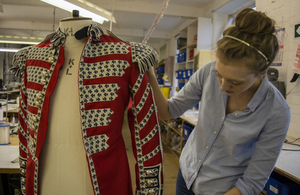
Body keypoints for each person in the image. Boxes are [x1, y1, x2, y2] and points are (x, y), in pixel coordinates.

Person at [146, 8, 291, 195]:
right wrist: (149, 74)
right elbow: (168, 111)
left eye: (235, 82)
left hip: (223, 190)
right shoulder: (207, 72)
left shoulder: (276, 112)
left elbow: (252, 182)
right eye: (219, 75)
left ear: (262, 72)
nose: (223, 87)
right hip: (187, 175)